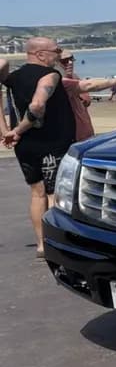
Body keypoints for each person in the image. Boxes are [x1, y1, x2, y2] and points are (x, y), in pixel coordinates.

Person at [1, 38, 75, 258]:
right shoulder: (50, 76)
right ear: (41, 55)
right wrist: (20, 129)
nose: (59, 55)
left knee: (37, 193)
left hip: (25, 147)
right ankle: (56, 243)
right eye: (56, 51)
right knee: (54, 193)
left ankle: (41, 244)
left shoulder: (12, 78)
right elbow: (37, 105)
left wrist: (7, 131)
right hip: (51, 143)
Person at [60, 53, 116, 141]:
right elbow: (92, 85)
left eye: (72, 59)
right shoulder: (60, 82)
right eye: (65, 61)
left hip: (85, 133)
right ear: (55, 62)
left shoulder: (75, 77)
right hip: (71, 137)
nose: (70, 63)